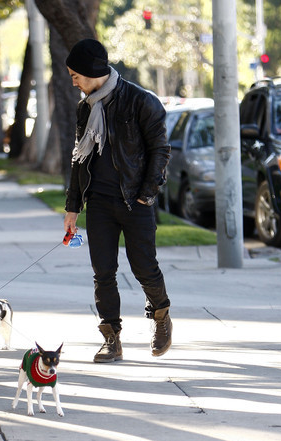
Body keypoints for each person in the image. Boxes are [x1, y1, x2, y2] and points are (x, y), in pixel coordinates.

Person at [63, 39, 172, 363]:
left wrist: (145, 196)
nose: (73, 82)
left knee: (145, 269)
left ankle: (161, 317)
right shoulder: (85, 108)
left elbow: (160, 151)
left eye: (75, 75)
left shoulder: (141, 101)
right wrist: (72, 208)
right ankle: (111, 337)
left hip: (134, 202)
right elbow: (78, 159)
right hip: (99, 203)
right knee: (103, 272)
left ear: (91, 72)